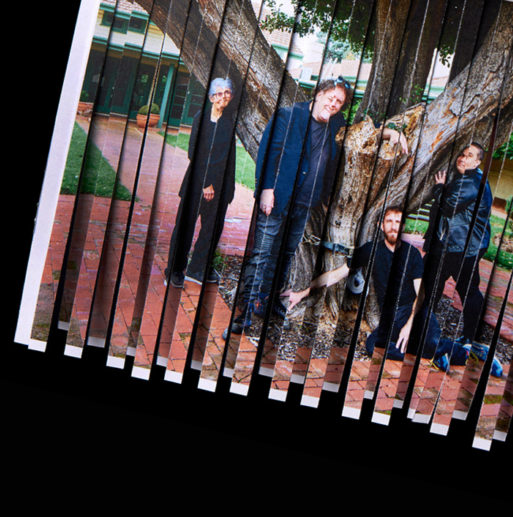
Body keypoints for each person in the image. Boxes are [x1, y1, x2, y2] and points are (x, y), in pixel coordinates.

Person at [230, 78, 406, 334]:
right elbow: (268, 153)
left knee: (285, 255)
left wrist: (391, 132)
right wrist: (266, 190)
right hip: (277, 199)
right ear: (319, 93)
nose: (334, 104)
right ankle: (244, 312)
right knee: (262, 254)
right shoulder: (288, 116)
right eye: (331, 98)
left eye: (339, 102)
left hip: (304, 204)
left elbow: (361, 132)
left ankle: (266, 304)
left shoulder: (335, 123)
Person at [282, 207, 501, 375]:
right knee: (372, 346)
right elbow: (336, 275)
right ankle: (435, 352)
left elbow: (421, 295)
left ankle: (469, 352)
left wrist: (408, 325)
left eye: (398, 222)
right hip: (391, 317)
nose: (394, 226)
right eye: (389, 221)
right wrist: (302, 293)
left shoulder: (412, 254)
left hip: (416, 313)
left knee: (429, 341)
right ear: (381, 225)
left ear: (403, 225)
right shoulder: (371, 250)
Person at [166, 77, 237, 289]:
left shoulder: (229, 122)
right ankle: (174, 270)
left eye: (227, 93)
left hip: (221, 186)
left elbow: (226, 156)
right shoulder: (201, 119)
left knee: (211, 229)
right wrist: (207, 182)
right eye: (219, 93)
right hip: (197, 183)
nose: (223, 97)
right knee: (185, 227)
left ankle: (198, 268)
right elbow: (194, 153)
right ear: (211, 97)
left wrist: (227, 188)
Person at [422, 142, 493, 345]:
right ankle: (430, 330)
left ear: (478, 162)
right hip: (458, 244)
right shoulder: (468, 177)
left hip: (461, 247)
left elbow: (448, 205)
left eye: (469, 155)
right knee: (442, 284)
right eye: (462, 154)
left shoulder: (472, 183)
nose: (462, 158)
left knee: (463, 289)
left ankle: (470, 338)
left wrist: (438, 188)